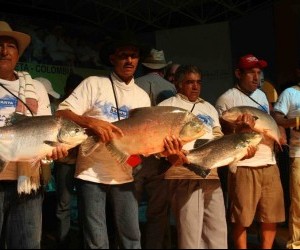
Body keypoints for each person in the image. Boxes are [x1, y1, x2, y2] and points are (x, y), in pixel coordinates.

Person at [55, 32, 154, 249]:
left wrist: (141, 160)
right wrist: (91, 122)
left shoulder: (142, 96)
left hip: (126, 174)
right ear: (112, 59)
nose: (129, 60)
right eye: (123, 55)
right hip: (91, 173)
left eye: (134, 55)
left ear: (138, 59)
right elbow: (62, 113)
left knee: (132, 237)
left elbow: (144, 138)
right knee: (96, 240)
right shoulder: (94, 84)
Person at [0, 20, 68, 249]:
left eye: (10, 46)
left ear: (18, 53)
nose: (4, 50)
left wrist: (54, 150)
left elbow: (47, 129)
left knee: (27, 244)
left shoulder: (35, 88)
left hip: (28, 181)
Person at [215, 54, 286, 249]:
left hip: (269, 164)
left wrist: (279, 131)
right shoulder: (227, 99)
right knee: (242, 218)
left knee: (271, 216)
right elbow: (222, 135)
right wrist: (240, 129)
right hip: (244, 166)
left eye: (259, 72)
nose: (257, 78)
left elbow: (271, 120)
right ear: (238, 73)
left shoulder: (262, 95)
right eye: (251, 73)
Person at [157, 64, 227, 249]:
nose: (195, 86)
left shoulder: (209, 108)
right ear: (179, 84)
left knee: (217, 229)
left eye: (198, 82)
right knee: (191, 233)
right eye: (189, 82)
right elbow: (156, 144)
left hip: (211, 173)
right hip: (183, 173)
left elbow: (218, 136)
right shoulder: (167, 106)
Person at [134, 48, 176, 249]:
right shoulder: (171, 87)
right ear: (163, 68)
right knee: (158, 212)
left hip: (134, 156)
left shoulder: (134, 85)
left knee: (129, 208)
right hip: (160, 157)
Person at [53, 73, 84, 249]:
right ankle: (63, 241)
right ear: (67, 90)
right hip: (64, 163)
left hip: (82, 163)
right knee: (63, 204)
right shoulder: (60, 110)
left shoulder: (85, 108)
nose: (75, 93)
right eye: (72, 90)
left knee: (83, 205)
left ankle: (81, 240)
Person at [273, 72, 300, 249]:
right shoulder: (290, 93)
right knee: (299, 203)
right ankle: (296, 244)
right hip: (298, 154)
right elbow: (277, 119)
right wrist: (296, 121)